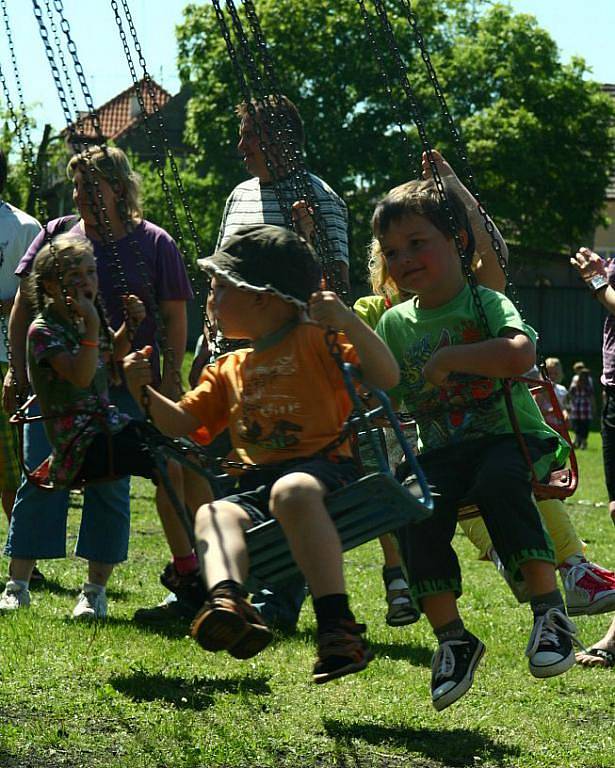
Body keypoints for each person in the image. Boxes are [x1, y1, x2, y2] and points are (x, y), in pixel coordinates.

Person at [124, 223, 400, 683]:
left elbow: (386, 377)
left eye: (218, 289)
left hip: (324, 471)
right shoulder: (227, 367)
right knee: (212, 513)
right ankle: (230, 603)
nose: (209, 301)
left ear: (260, 296)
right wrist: (142, 389)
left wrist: (349, 320)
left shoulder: (316, 341)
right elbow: (179, 423)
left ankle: (338, 627)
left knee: (290, 493)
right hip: (255, 484)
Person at [372, 175, 578, 711]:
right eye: (393, 251)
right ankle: (454, 640)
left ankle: (550, 614)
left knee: (500, 484)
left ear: (456, 242)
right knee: (414, 509)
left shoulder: (482, 301)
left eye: (419, 244)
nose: (405, 259)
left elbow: (519, 355)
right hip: (442, 449)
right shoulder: (394, 323)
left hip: (506, 435)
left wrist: (450, 360)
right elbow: (389, 385)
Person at [179, 96, 351, 632]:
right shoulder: (238, 197)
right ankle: (224, 590)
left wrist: (307, 245)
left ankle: (281, 595)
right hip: (231, 360)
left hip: (292, 362)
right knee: (224, 475)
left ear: (281, 138)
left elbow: (336, 284)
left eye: (250, 134)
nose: (240, 146)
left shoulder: (319, 197)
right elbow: (223, 278)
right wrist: (209, 344)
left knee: (288, 464)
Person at [1, 146, 194, 619]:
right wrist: (16, 370)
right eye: (76, 185)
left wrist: (169, 374)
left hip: (122, 386)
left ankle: (95, 589)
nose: (81, 194)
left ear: (119, 188)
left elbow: (172, 315)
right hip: (59, 388)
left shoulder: (153, 242)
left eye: (92, 185)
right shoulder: (56, 236)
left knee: (111, 481)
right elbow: (23, 306)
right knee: (42, 477)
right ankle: (17, 583)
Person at [0, 234, 165, 613]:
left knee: (118, 486)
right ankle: (17, 585)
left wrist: (129, 327)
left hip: (100, 427)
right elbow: (79, 374)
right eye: (74, 275)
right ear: (50, 286)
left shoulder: (88, 318)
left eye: (90, 273)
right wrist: (93, 327)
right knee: (38, 492)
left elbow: (109, 356)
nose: (86, 282)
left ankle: (94, 592)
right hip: (71, 436)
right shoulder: (43, 330)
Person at [0, 149, 41, 528]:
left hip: (6, 358)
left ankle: (20, 547)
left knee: (12, 464)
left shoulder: (26, 228)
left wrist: (9, 304)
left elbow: (41, 293)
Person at [568, 361, 595, 449]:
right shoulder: (588, 379)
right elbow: (591, 394)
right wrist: (593, 405)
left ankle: (579, 440)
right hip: (585, 405)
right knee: (583, 424)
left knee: (578, 423)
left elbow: (571, 392)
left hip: (577, 405)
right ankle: (582, 441)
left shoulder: (575, 379)